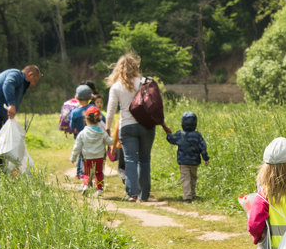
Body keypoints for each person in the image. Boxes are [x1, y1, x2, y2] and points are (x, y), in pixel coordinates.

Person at [105, 54, 155, 202]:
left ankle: (132, 193)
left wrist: (107, 128)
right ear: (136, 67)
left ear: (118, 68)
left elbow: (111, 109)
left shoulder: (116, 87)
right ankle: (144, 195)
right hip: (147, 126)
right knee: (144, 160)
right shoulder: (145, 82)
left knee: (130, 160)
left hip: (127, 126)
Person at [0, 65, 41, 165]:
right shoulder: (17, 74)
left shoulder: (20, 80)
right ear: (30, 74)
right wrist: (11, 104)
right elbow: (8, 84)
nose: (33, 85)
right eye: (35, 81)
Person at [165, 111, 210, 201]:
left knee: (185, 179)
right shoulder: (197, 135)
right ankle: (192, 194)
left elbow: (172, 140)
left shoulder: (180, 134)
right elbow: (203, 147)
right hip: (195, 162)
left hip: (183, 162)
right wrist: (206, 158)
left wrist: (168, 134)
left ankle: (187, 197)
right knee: (193, 178)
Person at [69, 107, 114, 193]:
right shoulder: (101, 132)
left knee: (87, 173)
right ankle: (99, 189)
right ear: (98, 120)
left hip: (87, 157)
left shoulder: (83, 133)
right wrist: (111, 137)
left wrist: (73, 157)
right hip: (99, 156)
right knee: (98, 173)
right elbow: (110, 142)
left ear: (86, 119)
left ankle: (86, 186)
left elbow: (77, 146)